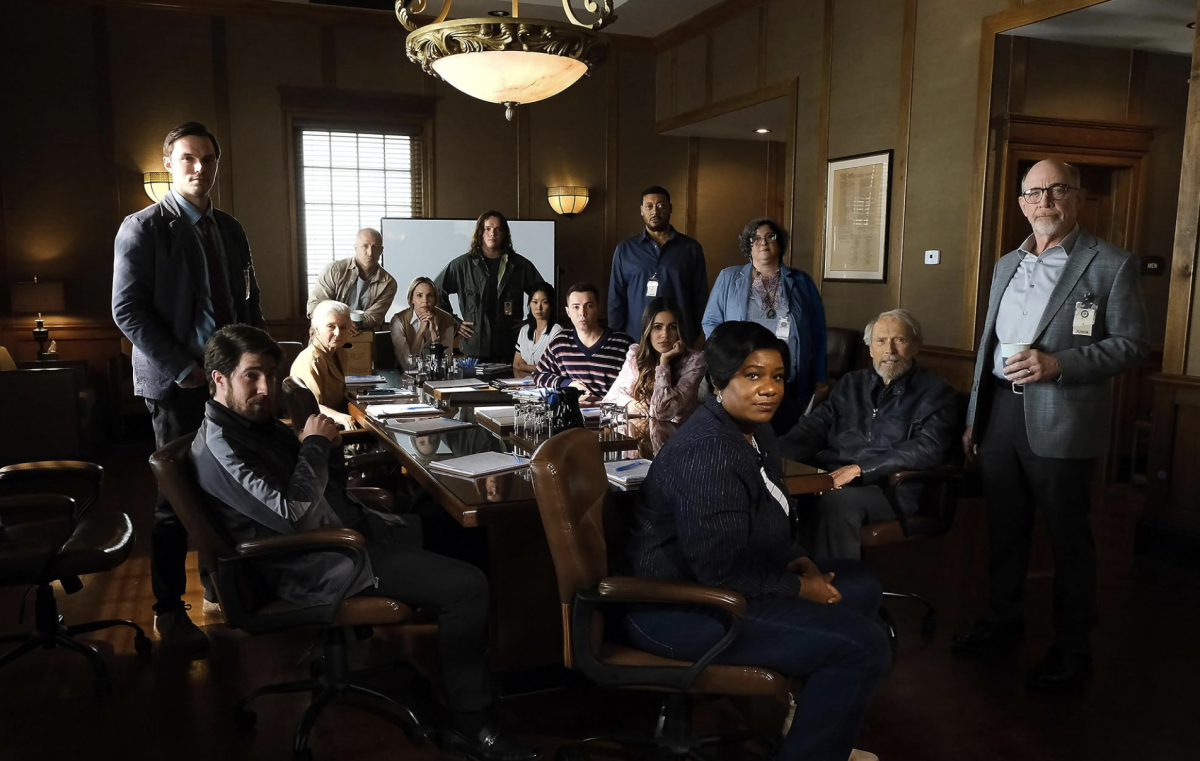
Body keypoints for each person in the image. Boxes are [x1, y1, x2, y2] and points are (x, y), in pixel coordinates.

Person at [189, 324, 540, 761]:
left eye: (272, 376)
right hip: (316, 561)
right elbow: (291, 513)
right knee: (467, 587)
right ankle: (468, 723)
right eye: (252, 376)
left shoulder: (254, 424)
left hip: (345, 534)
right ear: (217, 379)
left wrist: (324, 451)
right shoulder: (221, 446)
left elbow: (323, 490)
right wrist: (315, 445)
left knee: (466, 534)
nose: (266, 388)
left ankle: (494, 670)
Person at [620, 321, 888, 761]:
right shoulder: (710, 450)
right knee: (863, 645)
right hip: (678, 606)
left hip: (723, 587)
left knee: (859, 583)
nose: (769, 389)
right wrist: (802, 588)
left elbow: (769, 519)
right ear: (718, 382)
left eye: (777, 376)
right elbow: (721, 573)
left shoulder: (756, 431)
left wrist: (802, 562)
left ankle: (814, 727)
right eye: (752, 375)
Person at [954, 159, 1150, 692]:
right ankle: (1002, 621)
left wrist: (1059, 365)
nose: (1045, 201)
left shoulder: (1110, 263)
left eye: (1057, 190)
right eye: (1034, 192)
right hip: (999, 414)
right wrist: (976, 417)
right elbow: (987, 347)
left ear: (1077, 198)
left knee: (1069, 539)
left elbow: (1132, 344)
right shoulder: (1004, 265)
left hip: (1061, 418)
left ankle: (1071, 647)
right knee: (1005, 530)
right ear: (1021, 202)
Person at [112, 121, 264, 652]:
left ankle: (220, 587)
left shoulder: (231, 229)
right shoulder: (143, 228)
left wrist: (255, 367)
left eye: (208, 159)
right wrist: (184, 368)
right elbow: (127, 310)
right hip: (177, 385)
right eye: (188, 159)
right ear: (170, 166)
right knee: (175, 498)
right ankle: (169, 609)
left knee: (231, 486)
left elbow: (248, 304)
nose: (199, 168)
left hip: (229, 385)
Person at [779, 309, 958, 559]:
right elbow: (812, 428)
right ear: (870, 348)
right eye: (881, 341)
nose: (890, 350)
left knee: (836, 504)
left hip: (891, 489)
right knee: (772, 491)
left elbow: (928, 448)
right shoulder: (851, 384)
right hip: (831, 477)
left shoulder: (935, 392)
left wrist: (862, 469)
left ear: (916, 346)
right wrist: (769, 455)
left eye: (900, 340)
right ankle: (787, 584)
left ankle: (839, 591)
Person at [703, 217, 826, 433]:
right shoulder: (729, 277)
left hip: (788, 378)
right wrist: (726, 356)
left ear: (779, 244)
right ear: (748, 246)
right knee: (744, 437)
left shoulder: (801, 281)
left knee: (781, 439)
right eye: (756, 238)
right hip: (742, 375)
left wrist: (820, 376)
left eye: (771, 237)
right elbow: (711, 321)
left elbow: (818, 332)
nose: (764, 242)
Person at [435, 211, 545, 361]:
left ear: (504, 234)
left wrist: (531, 321)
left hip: (511, 347)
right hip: (475, 348)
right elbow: (435, 291)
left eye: (498, 229)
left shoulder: (520, 265)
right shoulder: (462, 265)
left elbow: (545, 293)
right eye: (487, 229)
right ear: (480, 232)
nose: (492, 233)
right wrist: (454, 322)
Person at [608, 186, 709, 346]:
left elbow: (700, 296)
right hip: (637, 340)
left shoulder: (691, 248)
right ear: (641, 211)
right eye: (649, 206)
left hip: (681, 339)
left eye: (660, 205)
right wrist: (615, 340)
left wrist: (700, 336)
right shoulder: (625, 250)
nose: (655, 211)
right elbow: (616, 299)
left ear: (670, 208)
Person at [602, 297, 706, 424]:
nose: (665, 334)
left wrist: (664, 362)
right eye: (657, 327)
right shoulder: (636, 355)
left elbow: (662, 412)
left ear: (679, 330)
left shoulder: (694, 361)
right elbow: (607, 403)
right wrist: (629, 403)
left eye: (672, 327)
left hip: (679, 438)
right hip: (641, 437)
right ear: (648, 330)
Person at [533, 283, 633, 401]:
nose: (582, 313)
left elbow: (642, 382)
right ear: (568, 311)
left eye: (589, 306)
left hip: (613, 414)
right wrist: (567, 384)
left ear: (598, 308)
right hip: (571, 414)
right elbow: (539, 376)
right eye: (576, 307)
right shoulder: (560, 343)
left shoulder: (622, 344)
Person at [306, 228, 398, 334]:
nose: (370, 252)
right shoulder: (334, 270)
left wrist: (350, 323)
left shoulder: (388, 283)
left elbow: (374, 317)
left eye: (375, 247)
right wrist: (343, 323)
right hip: (326, 335)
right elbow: (315, 306)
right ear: (356, 248)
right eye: (365, 246)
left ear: (381, 250)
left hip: (361, 337)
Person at [290, 300, 359, 430]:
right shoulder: (311, 360)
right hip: (313, 428)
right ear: (317, 328)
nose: (338, 333)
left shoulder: (340, 353)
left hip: (333, 420)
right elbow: (312, 407)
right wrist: (343, 418)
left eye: (343, 327)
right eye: (330, 326)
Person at [390, 277, 456, 369]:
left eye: (430, 296)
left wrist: (433, 332)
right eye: (419, 295)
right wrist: (421, 331)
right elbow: (407, 365)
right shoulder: (399, 320)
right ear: (412, 298)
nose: (425, 301)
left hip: (437, 376)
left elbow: (446, 363)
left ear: (435, 299)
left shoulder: (447, 319)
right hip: (407, 377)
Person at [511, 282, 563, 377]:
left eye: (545, 302)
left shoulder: (557, 331)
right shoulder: (524, 330)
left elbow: (553, 367)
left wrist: (524, 366)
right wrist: (537, 367)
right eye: (535, 302)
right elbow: (516, 364)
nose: (538, 307)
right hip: (524, 385)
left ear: (551, 305)